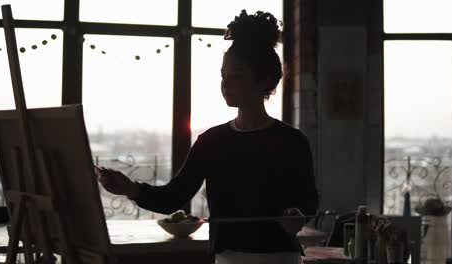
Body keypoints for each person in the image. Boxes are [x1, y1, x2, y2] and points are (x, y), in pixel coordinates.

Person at [96, 9, 319, 264]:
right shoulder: (211, 141)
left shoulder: (292, 141)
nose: (225, 84)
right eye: (223, 75)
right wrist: (130, 188)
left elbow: (309, 201)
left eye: (236, 76)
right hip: (226, 258)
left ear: (265, 81)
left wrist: (297, 215)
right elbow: (174, 197)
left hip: (281, 258)